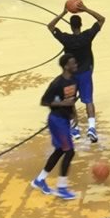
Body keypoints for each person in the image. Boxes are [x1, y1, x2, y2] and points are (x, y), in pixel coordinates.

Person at [47, 5, 105, 144]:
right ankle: (91, 128)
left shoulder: (66, 39)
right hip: (85, 73)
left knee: (70, 101)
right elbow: (101, 19)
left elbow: (50, 26)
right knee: (89, 100)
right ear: (81, 25)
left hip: (71, 75)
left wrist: (63, 13)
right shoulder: (87, 36)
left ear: (71, 26)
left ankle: (75, 129)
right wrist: (85, 9)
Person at [33, 53, 82, 198]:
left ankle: (39, 179)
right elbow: (44, 101)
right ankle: (61, 187)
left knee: (60, 150)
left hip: (65, 120)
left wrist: (75, 114)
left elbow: (71, 100)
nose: (76, 65)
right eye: (73, 63)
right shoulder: (57, 84)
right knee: (69, 151)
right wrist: (62, 104)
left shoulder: (74, 80)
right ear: (66, 66)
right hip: (57, 120)